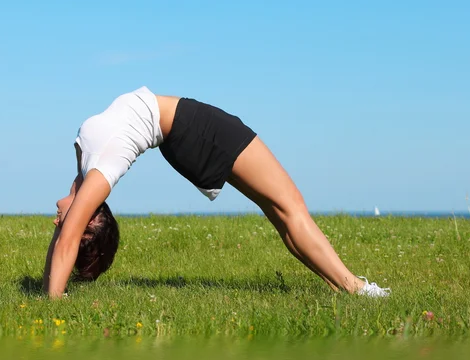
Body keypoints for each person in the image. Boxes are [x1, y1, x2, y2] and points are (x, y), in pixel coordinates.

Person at [43, 86, 390, 299]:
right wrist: (55, 301)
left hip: (184, 135)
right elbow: (70, 237)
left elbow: (66, 240)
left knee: (280, 212)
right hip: (196, 130)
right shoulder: (102, 171)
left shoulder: (87, 174)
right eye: (66, 223)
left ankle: (339, 285)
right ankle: (356, 289)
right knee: (290, 206)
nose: (56, 221)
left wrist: (51, 290)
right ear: (89, 221)